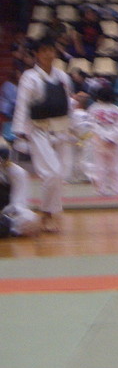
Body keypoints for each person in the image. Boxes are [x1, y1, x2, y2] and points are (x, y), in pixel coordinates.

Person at [11, 38, 72, 232]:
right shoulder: (29, 77)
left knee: (59, 175)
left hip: (62, 130)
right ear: (36, 54)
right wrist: (20, 133)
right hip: (39, 131)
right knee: (51, 172)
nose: (48, 54)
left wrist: (76, 128)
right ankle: (47, 214)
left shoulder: (62, 76)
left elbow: (68, 105)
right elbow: (22, 105)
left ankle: (51, 213)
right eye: (44, 50)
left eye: (51, 50)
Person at [88, 86, 118, 196]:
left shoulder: (93, 108)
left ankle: (104, 189)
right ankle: (115, 189)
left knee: (102, 167)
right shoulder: (116, 109)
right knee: (114, 167)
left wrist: (106, 136)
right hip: (108, 141)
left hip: (102, 140)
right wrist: (111, 136)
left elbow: (92, 125)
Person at [0, 138, 41, 237]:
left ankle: (8, 228)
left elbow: (18, 204)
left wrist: (5, 215)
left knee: (29, 218)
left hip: (7, 214)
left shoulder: (17, 173)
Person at [69, 91, 93, 184]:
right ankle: (85, 176)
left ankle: (82, 176)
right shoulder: (88, 114)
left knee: (78, 158)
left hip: (79, 137)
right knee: (85, 158)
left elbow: (72, 127)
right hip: (87, 137)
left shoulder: (74, 114)